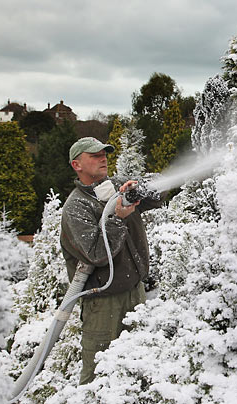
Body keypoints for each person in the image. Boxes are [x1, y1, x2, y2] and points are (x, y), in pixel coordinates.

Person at [60, 137, 164, 385]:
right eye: (94, 155)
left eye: (104, 153)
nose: (103, 158)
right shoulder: (76, 207)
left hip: (135, 291)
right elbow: (97, 253)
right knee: (98, 373)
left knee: (138, 363)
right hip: (103, 302)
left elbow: (158, 197)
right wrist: (117, 218)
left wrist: (143, 189)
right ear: (77, 165)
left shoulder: (117, 186)